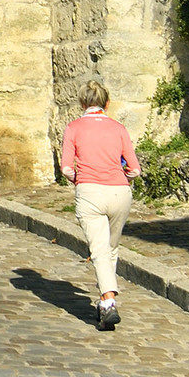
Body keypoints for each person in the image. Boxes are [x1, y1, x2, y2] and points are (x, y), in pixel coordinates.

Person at [60, 79, 138, 330]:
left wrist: (79, 179)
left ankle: (108, 302)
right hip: (119, 193)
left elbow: (66, 168)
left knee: (100, 251)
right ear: (107, 102)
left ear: (82, 103)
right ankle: (105, 298)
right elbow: (135, 169)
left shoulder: (73, 128)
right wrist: (121, 176)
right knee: (111, 248)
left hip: (90, 192)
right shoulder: (119, 128)